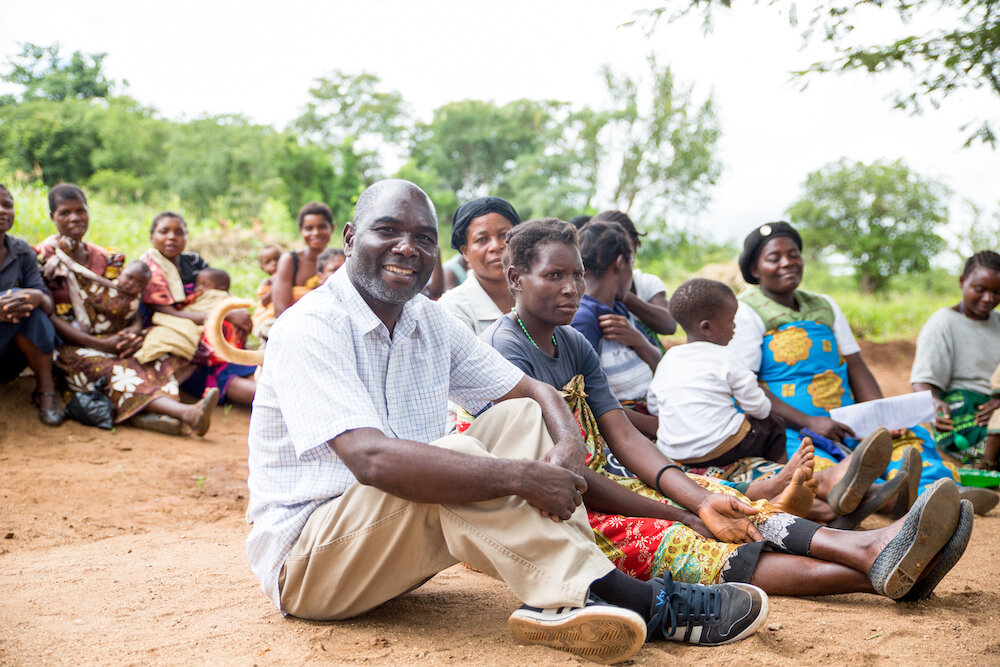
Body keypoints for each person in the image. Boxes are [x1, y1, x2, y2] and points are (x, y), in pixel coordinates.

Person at [245, 179, 774, 665]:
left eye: (424, 238)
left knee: (521, 416)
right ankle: (626, 597)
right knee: (459, 453)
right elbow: (372, 458)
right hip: (311, 567)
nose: (408, 248)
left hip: (389, 546)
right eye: (388, 231)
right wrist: (523, 477)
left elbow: (535, 391)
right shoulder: (311, 328)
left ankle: (564, 598)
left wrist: (566, 445)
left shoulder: (426, 319)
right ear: (349, 237)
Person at [481, 217, 972, 601]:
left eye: (578, 275)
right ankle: (874, 572)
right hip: (560, 508)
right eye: (554, 276)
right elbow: (559, 477)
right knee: (687, 542)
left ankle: (868, 548)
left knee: (724, 499)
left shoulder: (572, 344)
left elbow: (626, 439)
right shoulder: (503, 351)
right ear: (515, 278)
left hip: (611, 481)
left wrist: (695, 500)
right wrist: (674, 512)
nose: (572, 288)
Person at [730, 221, 959, 514]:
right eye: (774, 258)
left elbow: (855, 365)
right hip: (789, 425)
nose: (788, 262)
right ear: (754, 270)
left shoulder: (824, 305)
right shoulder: (746, 311)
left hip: (845, 420)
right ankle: (888, 498)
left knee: (906, 437)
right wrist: (809, 422)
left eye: (794, 254)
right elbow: (745, 386)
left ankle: (932, 490)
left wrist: (879, 416)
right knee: (817, 467)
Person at [36, 185, 215, 435]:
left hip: (118, 340)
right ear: (52, 217)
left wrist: (133, 334)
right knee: (113, 370)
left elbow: (131, 306)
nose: (75, 218)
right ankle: (187, 413)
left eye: (80, 210)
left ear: (88, 212)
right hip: (73, 345)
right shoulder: (45, 259)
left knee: (163, 353)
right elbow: (49, 316)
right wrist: (99, 344)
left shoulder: (111, 260)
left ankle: (149, 413)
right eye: (65, 213)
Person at [648, 278, 787, 467]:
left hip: (673, 452)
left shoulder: (669, 358)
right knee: (773, 425)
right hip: (720, 448)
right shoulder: (726, 356)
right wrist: (755, 415)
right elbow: (758, 406)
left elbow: (654, 406)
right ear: (706, 327)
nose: (734, 328)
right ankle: (783, 476)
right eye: (731, 321)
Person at [141, 211, 256, 407]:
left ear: (186, 237)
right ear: (152, 237)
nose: (171, 237)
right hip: (184, 341)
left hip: (211, 333)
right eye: (164, 231)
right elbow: (166, 314)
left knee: (250, 368)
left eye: (179, 232)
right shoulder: (148, 269)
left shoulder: (194, 262)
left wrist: (228, 312)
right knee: (231, 377)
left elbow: (216, 292)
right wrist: (224, 314)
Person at [911, 251, 1000, 473]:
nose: (989, 298)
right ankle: (984, 466)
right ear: (962, 282)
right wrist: (934, 403)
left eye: (997, 292)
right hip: (965, 418)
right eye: (980, 290)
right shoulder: (943, 323)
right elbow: (922, 383)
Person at [572, 221, 662, 438]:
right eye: (631, 264)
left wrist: (638, 340)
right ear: (620, 263)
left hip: (651, 418)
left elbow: (661, 366)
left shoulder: (618, 308)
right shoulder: (584, 318)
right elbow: (586, 399)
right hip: (627, 430)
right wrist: (656, 427)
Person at [0, 183, 63, 426]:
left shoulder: (21, 251)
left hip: (10, 357)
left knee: (29, 305)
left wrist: (35, 297)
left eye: (8, 205)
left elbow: (48, 306)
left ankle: (46, 392)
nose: (3, 211)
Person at [439, 196, 521, 336]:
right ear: (465, 253)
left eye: (504, 235)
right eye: (482, 239)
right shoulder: (452, 310)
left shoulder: (539, 295)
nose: (496, 246)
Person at [591, 210, 676, 338]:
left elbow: (670, 325)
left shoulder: (647, 283)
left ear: (634, 244)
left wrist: (622, 295)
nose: (611, 252)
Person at [272, 202, 333, 318]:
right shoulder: (291, 260)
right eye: (309, 228)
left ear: (332, 228)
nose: (315, 233)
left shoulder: (339, 262)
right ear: (301, 231)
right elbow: (280, 310)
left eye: (322, 227)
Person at [251, 244, 283, 339]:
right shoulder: (267, 282)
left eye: (277, 259)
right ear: (263, 268)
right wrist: (276, 284)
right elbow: (264, 301)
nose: (274, 263)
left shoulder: (290, 276)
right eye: (268, 262)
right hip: (270, 316)